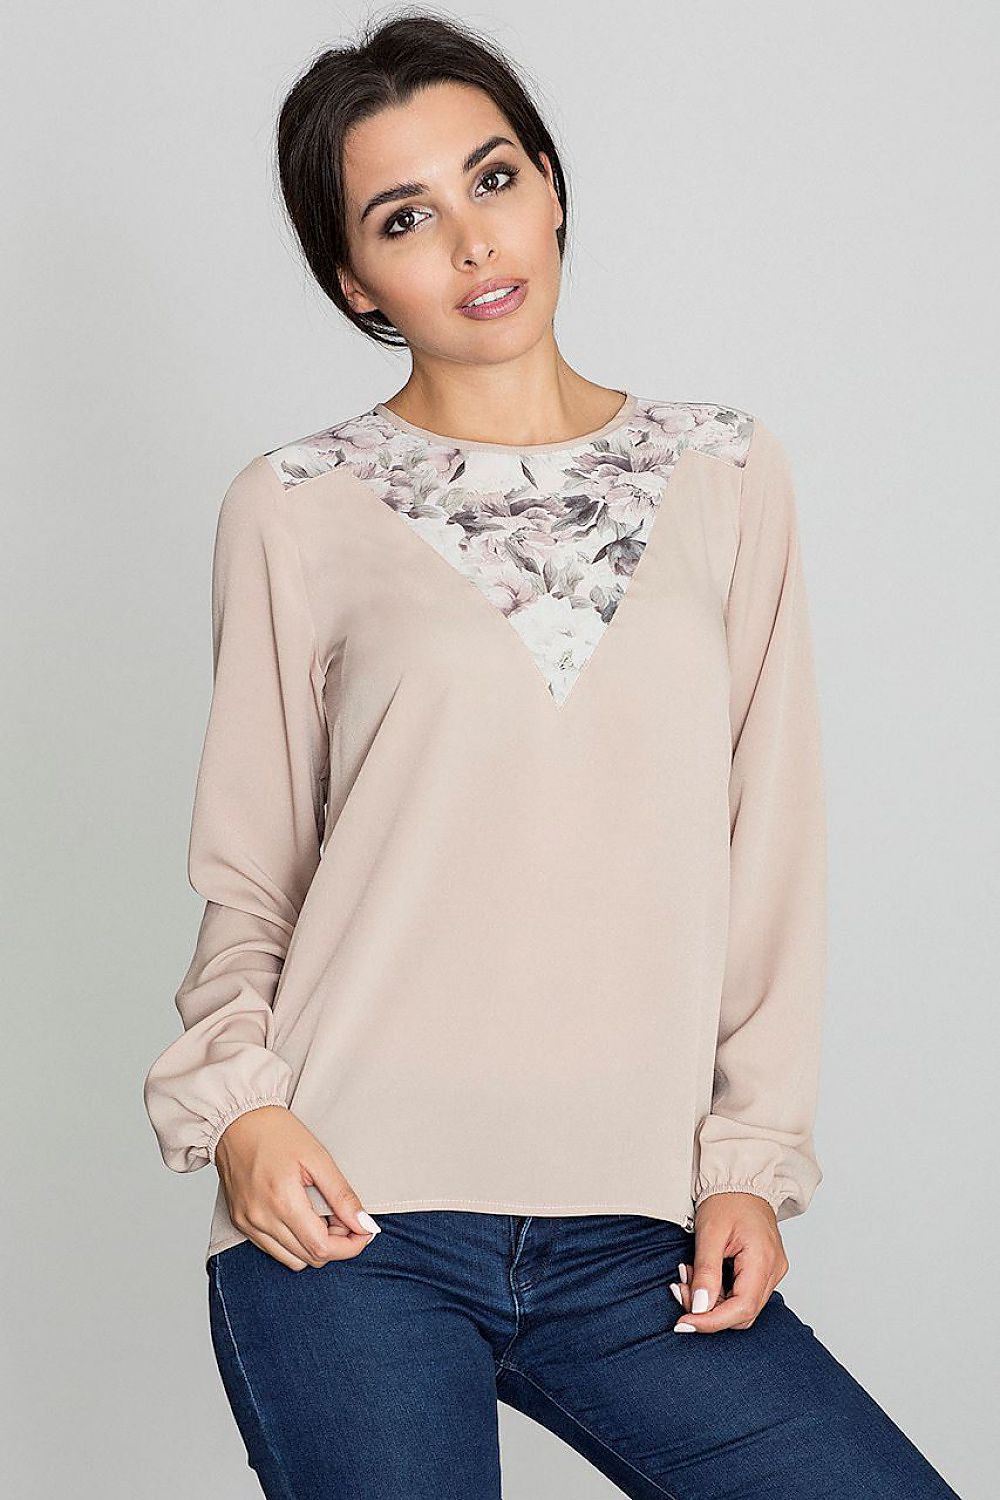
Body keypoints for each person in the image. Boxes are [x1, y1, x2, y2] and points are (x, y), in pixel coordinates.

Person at [142, 11, 961, 1498]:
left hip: (638, 1232)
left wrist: (748, 1162)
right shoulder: (295, 503)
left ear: (553, 186)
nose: (473, 241)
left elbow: (772, 847)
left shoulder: (725, 470)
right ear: (353, 280)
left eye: (494, 177)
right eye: (405, 217)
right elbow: (252, 875)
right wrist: (241, 1110)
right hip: (353, 1215)